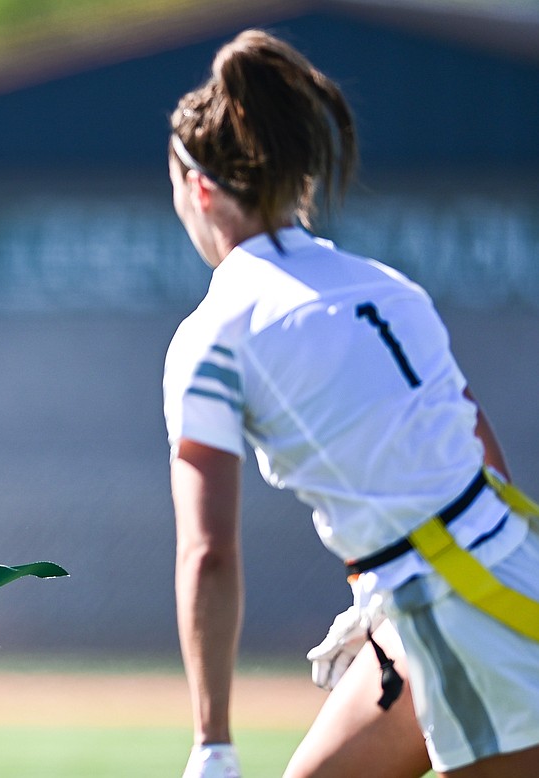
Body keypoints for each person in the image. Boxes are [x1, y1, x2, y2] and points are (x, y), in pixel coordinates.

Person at [163, 28, 539, 778]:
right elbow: (477, 449)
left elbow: (208, 553)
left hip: (455, 610)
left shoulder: (213, 332)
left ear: (199, 188)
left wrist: (212, 740)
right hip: (490, 571)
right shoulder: (386, 285)